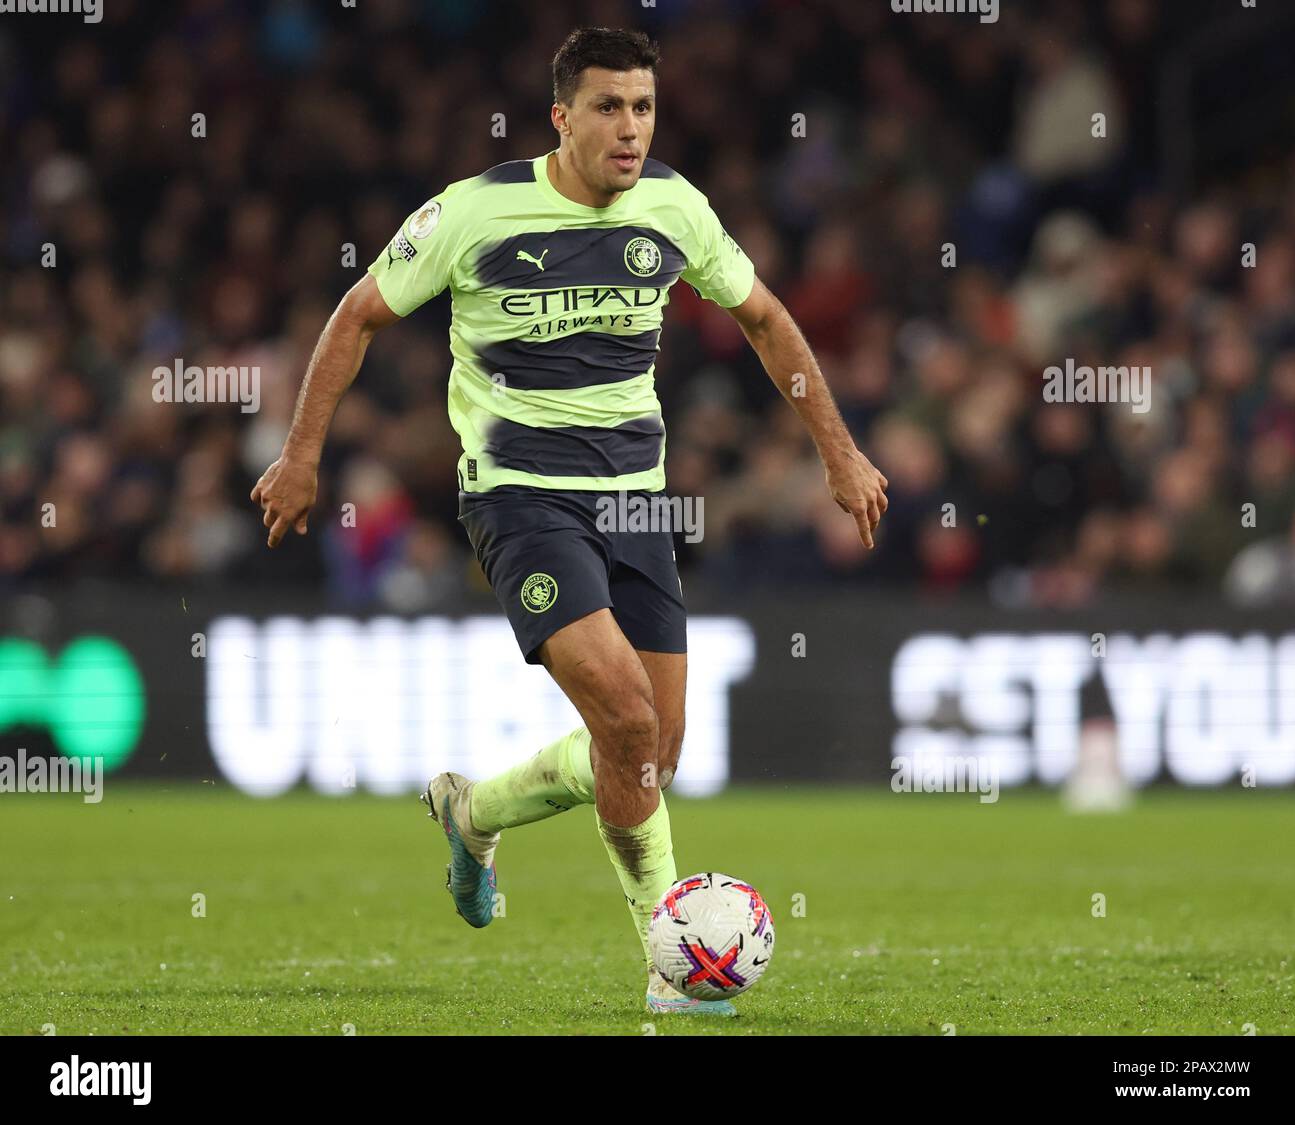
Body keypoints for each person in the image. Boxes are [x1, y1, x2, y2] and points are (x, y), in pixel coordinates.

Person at [250, 26, 888, 1016]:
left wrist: (838, 451)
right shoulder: (475, 212)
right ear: (561, 116)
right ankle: (673, 970)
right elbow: (356, 316)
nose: (629, 129)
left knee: (649, 756)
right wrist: (299, 456)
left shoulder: (674, 207)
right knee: (626, 721)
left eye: (642, 108)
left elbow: (764, 317)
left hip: (637, 500)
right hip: (519, 496)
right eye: (607, 108)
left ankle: (473, 813)